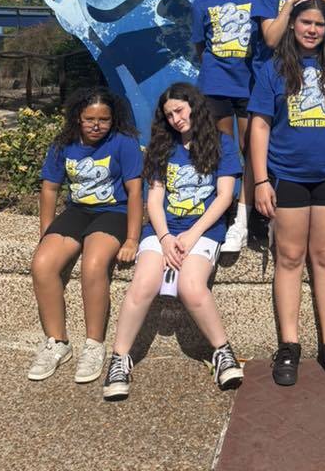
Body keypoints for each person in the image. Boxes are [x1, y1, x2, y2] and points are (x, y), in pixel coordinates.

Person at [249, 0, 325, 387]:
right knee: (289, 257)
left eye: (319, 23)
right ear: (293, 25)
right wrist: (261, 180)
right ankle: (289, 344)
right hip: (288, 176)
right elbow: (260, 126)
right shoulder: (273, 69)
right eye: (305, 23)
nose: (312, 30)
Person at [102, 83, 244, 400]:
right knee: (143, 284)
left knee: (191, 286)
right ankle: (119, 359)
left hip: (204, 230)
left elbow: (224, 197)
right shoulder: (163, 146)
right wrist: (165, 238)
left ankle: (222, 352)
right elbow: (154, 201)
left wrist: (191, 236)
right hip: (163, 230)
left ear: (194, 106)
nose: (176, 119)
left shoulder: (222, 143)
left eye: (179, 110)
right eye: (169, 115)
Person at [29, 87, 143, 383]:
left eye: (104, 119)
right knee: (42, 264)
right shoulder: (63, 144)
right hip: (78, 211)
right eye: (90, 119)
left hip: (114, 212)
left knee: (93, 265)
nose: (96, 125)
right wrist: (47, 233)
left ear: (113, 119)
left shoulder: (124, 142)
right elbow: (50, 188)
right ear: (78, 118)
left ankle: (94, 345)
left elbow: (134, 192)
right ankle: (57, 342)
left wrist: (132, 239)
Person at [191, 0, 258, 253]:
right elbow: (199, 46)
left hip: (248, 86)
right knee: (224, 151)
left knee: (250, 149)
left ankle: (244, 217)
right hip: (215, 85)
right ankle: (224, 212)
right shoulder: (202, 1)